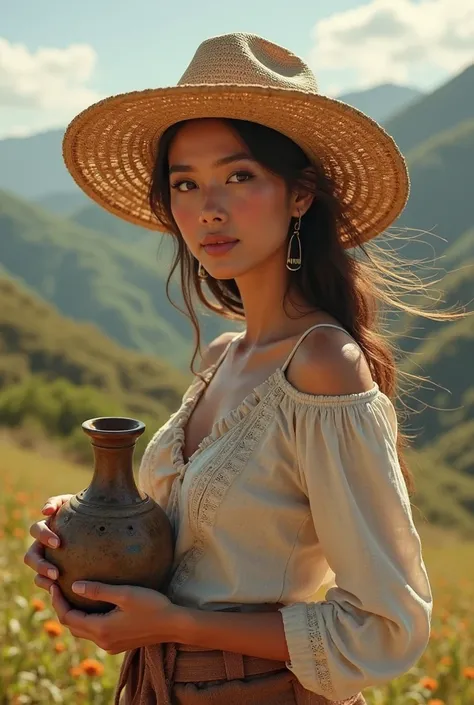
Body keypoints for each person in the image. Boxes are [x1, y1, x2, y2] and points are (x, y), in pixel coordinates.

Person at [24, 32, 434, 705]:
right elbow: (199, 547)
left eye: (238, 175)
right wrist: (85, 537)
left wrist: (176, 622)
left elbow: (386, 624)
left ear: (298, 195)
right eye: (186, 182)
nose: (208, 206)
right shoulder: (221, 357)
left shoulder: (325, 366)